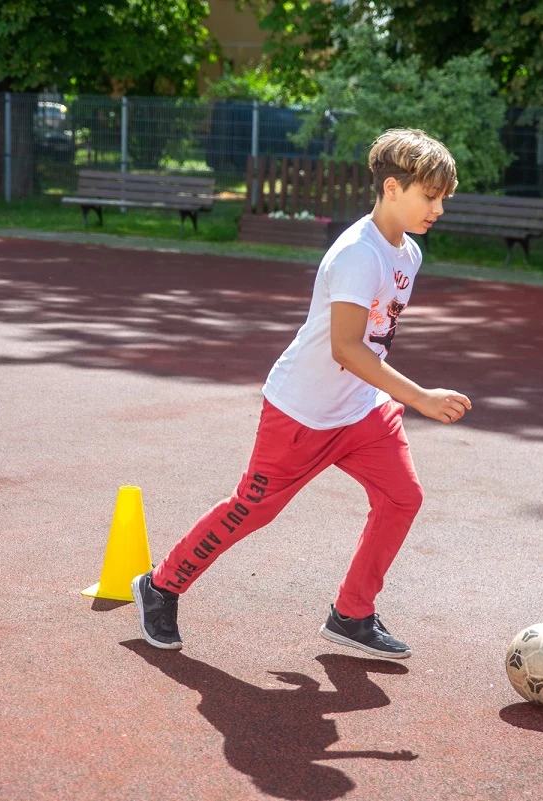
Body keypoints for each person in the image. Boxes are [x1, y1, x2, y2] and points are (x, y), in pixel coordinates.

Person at [131, 128, 471, 659]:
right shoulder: (358, 255)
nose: (439, 208)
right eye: (431, 196)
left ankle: (352, 614)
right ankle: (161, 584)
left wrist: (393, 398)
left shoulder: (408, 254)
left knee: (402, 497)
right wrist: (421, 396)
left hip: (362, 410)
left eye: (443, 198)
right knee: (253, 509)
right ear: (392, 189)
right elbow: (347, 349)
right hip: (302, 413)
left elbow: (372, 347)